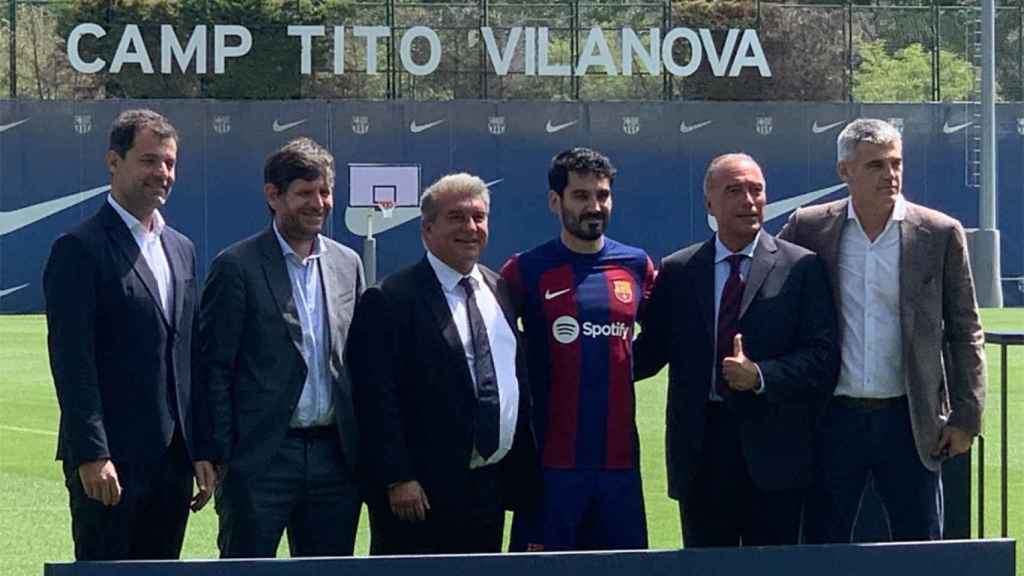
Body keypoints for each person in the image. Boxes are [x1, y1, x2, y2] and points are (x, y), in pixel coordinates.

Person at [780, 118, 986, 542]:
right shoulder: (809, 227)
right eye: (875, 165)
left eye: (896, 163)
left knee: (921, 548)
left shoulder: (940, 233)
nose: (890, 175)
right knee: (823, 549)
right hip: (833, 419)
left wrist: (967, 415)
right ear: (844, 172)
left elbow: (966, 329)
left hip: (910, 421)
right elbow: (767, 280)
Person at [633, 153, 839, 547]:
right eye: (734, 190)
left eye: (756, 190)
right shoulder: (678, 271)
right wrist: (589, 358)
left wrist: (760, 375)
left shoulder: (802, 268)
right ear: (709, 203)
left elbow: (822, 358)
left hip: (776, 457)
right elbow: (649, 353)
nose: (749, 200)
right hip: (701, 456)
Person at [43, 109, 215, 560]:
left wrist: (200, 449)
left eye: (170, 163)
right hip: (110, 467)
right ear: (113, 162)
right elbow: (72, 361)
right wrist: (92, 454)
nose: (162, 173)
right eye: (149, 160)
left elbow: (189, 357)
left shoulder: (182, 249)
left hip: (172, 466)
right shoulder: (79, 248)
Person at [347, 173, 537, 555]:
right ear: (427, 228)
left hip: (488, 486)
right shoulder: (389, 299)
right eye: (457, 217)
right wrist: (397, 478)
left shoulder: (498, 288)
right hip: (420, 493)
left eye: (479, 218)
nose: (471, 228)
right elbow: (374, 398)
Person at [199, 138, 365, 558]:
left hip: (335, 459)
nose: (319, 203)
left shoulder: (349, 264)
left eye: (325, 191)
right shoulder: (236, 266)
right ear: (273, 196)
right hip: (261, 460)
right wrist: (222, 453)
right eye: (305, 193)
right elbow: (214, 368)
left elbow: (360, 363)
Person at [500, 148, 654, 551]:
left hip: (619, 466)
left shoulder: (636, 266)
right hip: (549, 466)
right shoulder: (526, 270)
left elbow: (661, 340)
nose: (594, 206)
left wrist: (619, 364)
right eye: (581, 196)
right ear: (556, 201)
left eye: (602, 195)